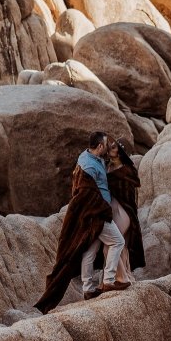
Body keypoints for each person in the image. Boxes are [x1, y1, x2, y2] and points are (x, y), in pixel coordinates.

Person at [35, 131, 127, 313]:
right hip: (96, 213)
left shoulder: (87, 156)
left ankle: (88, 289)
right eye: (106, 145)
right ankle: (109, 280)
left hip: (92, 212)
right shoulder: (88, 167)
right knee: (118, 241)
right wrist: (103, 209)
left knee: (90, 249)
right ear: (99, 146)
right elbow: (85, 193)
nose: (107, 148)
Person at [105, 137, 145, 284]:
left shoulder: (127, 170)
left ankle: (124, 277)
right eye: (110, 147)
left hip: (124, 211)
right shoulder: (106, 166)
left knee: (118, 242)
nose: (111, 149)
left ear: (121, 151)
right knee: (119, 244)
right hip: (111, 209)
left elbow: (129, 196)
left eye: (114, 147)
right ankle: (122, 276)